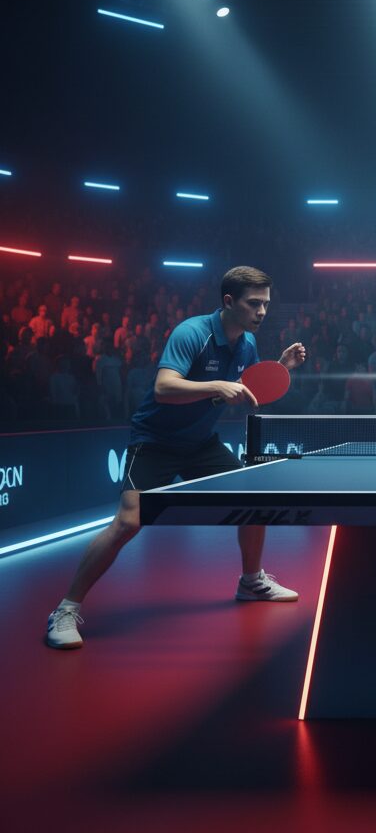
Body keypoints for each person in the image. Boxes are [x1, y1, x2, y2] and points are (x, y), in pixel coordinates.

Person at [45, 266, 306, 650]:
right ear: (229, 301)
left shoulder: (247, 344)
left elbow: (241, 393)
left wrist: (279, 370)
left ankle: (251, 582)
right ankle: (65, 610)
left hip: (200, 442)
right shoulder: (192, 333)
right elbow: (165, 388)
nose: (262, 311)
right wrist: (215, 384)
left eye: (266, 304)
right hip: (155, 440)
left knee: (255, 501)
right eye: (254, 303)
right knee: (128, 522)